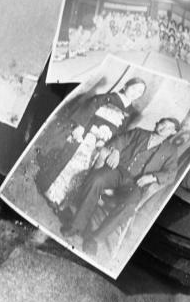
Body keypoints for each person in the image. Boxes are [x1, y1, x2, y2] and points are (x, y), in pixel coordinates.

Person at [62, 116, 181, 249]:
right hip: (119, 171)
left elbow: (171, 174)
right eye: (163, 124)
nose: (164, 128)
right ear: (157, 123)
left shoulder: (171, 151)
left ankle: (95, 239)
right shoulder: (139, 132)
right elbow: (120, 139)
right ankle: (76, 226)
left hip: (137, 184)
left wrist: (152, 177)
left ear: (173, 132)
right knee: (97, 179)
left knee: (129, 205)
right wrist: (116, 151)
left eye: (169, 128)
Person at [35, 78, 147, 206]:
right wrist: (81, 126)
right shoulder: (108, 98)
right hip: (88, 133)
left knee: (83, 168)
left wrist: (111, 147)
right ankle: (48, 189)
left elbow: (120, 133)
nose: (135, 93)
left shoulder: (129, 112)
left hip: (102, 143)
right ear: (125, 85)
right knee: (68, 160)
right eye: (134, 88)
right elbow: (90, 106)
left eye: (139, 92)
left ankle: (61, 199)